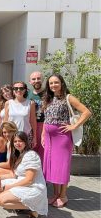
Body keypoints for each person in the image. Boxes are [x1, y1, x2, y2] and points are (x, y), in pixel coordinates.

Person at [42, 74, 91, 208]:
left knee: (61, 167)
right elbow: (46, 119)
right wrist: (42, 135)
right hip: (49, 138)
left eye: (56, 82)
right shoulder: (49, 98)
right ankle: (56, 194)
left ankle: (63, 195)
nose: (53, 85)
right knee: (52, 167)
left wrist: (74, 126)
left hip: (62, 138)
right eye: (51, 83)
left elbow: (86, 112)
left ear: (62, 83)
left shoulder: (69, 97)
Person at [0, 132, 48, 218]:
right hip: (22, 182)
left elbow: (29, 180)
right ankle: (23, 207)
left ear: (25, 142)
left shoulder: (31, 156)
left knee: (0, 200)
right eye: (15, 141)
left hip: (34, 188)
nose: (17, 143)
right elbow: (14, 175)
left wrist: (10, 187)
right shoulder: (19, 154)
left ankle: (36, 209)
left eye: (20, 141)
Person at [4, 81, 37, 148]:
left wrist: (35, 137)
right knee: (12, 157)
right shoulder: (8, 103)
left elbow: (33, 121)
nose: (18, 90)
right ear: (13, 91)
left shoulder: (30, 103)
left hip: (26, 135)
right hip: (12, 136)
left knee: (25, 157)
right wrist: (5, 136)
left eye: (21, 88)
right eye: (16, 88)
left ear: (25, 90)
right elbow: (5, 122)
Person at [28, 71, 45, 163]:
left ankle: (43, 174)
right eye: (33, 79)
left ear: (42, 80)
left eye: (38, 78)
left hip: (44, 125)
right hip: (30, 125)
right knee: (31, 150)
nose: (36, 81)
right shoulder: (27, 94)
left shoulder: (48, 94)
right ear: (30, 82)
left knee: (43, 150)